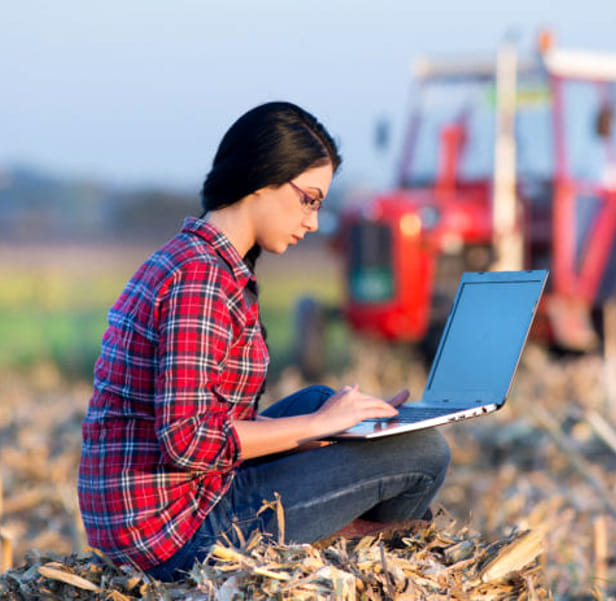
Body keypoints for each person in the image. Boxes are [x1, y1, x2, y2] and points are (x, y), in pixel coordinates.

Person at [77, 101, 451, 581]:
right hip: (173, 534)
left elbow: (209, 429)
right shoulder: (201, 279)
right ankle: (359, 562)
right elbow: (188, 442)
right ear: (263, 178)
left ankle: (345, 544)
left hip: (172, 505)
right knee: (423, 454)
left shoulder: (199, 260)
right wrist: (318, 426)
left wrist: (333, 424)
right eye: (309, 199)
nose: (314, 221)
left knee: (333, 406)